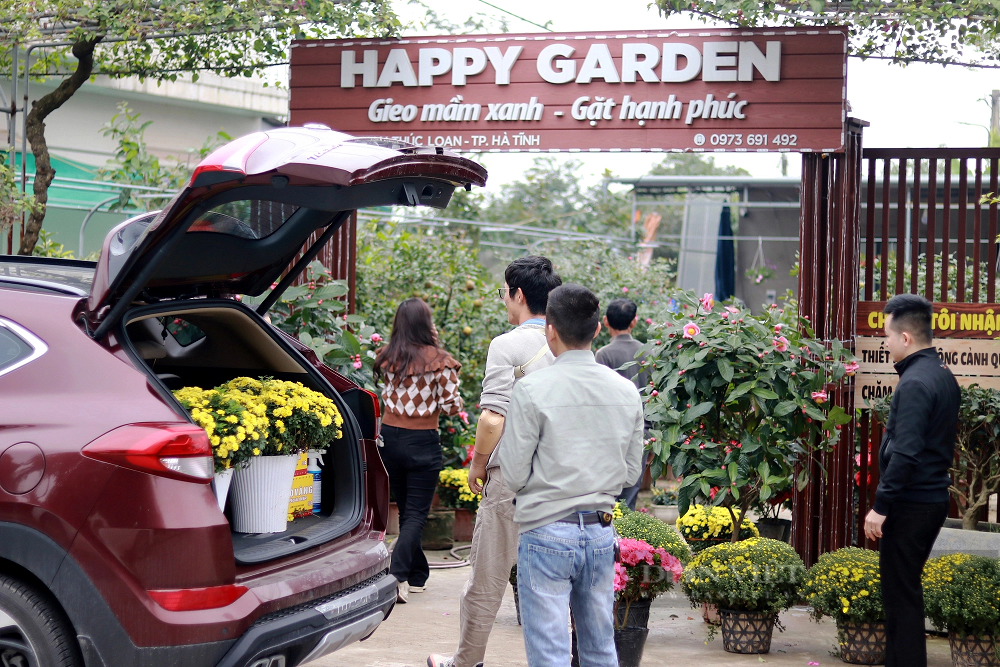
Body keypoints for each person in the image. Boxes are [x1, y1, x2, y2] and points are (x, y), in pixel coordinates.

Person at [499, 284, 645, 667]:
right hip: (600, 531)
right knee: (600, 648)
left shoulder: (531, 389)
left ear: (550, 329)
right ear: (597, 330)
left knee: (550, 652)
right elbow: (631, 473)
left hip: (546, 529)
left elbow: (513, 474)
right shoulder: (627, 391)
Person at [428, 256, 562, 667]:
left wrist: (478, 464)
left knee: (487, 579)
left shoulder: (507, 345)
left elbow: (492, 417)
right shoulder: (569, 344)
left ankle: (467, 662)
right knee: (555, 584)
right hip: (561, 482)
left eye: (504, 292)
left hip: (513, 481)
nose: (504, 299)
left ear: (518, 294)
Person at [864, 294, 958, 667]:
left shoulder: (916, 382)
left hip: (911, 504)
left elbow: (906, 452)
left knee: (900, 598)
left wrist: (880, 507)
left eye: (886, 335)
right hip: (927, 500)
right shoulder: (940, 374)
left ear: (905, 337)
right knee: (905, 593)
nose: (884, 343)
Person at [375, 298, 463, 604]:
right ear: (426, 324)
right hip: (422, 439)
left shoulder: (387, 357)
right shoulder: (439, 360)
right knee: (415, 515)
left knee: (405, 509)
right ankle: (395, 576)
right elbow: (452, 406)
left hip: (389, 439)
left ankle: (417, 575)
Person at [595, 297, 651, 509]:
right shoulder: (648, 353)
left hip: (610, 433)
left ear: (606, 321)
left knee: (607, 492)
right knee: (631, 494)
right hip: (642, 431)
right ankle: (627, 540)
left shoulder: (603, 355)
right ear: (634, 322)